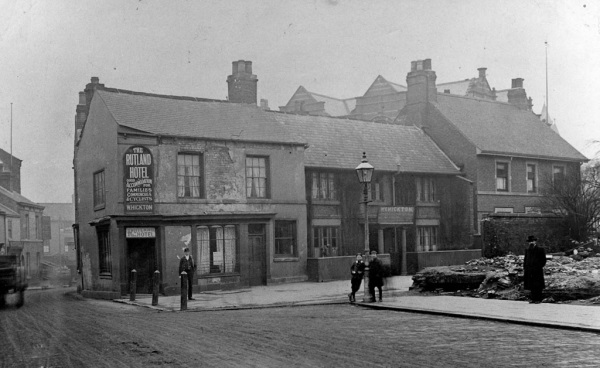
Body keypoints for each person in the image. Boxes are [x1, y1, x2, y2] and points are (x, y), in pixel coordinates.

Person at [523, 235, 546, 304]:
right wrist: (525, 268)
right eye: (530, 241)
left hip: (537, 270)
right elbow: (525, 260)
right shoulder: (527, 250)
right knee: (531, 284)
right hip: (529, 270)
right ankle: (533, 298)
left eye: (532, 241)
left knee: (538, 285)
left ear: (535, 241)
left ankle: (538, 299)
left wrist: (539, 266)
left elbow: (543, 260)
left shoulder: (540, 249)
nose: (531, 242)